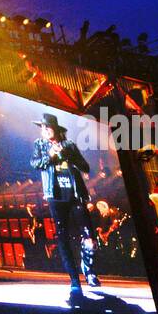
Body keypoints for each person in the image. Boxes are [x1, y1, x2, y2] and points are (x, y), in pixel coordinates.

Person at [29, 112, 99, 299]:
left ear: (56, 129)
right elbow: (35, 164)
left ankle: (88, 269)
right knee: (63, 236)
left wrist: (69, 156)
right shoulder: (40, 145)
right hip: (56, 196)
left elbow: (85, 167)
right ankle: (74, 280)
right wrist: (50, 156)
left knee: (90, 238)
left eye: (46, 127)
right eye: (41, 127)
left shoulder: (69, 145)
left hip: (75, 195)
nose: (43, 131)